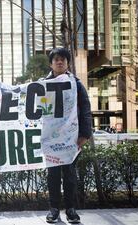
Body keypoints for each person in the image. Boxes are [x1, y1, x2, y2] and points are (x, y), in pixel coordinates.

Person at [41, 48, 92, 224]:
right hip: (51, 140)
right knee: (52, 175)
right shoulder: (42, 85)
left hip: (72, 138)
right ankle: (54, 209)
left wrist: (85, 134)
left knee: (70, 175)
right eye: (56, 59)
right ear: (51, 63)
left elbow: (85, 109)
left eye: (63, 59)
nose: (59, 62)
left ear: (68, 63)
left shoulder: (76, 84)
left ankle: (71, 210)